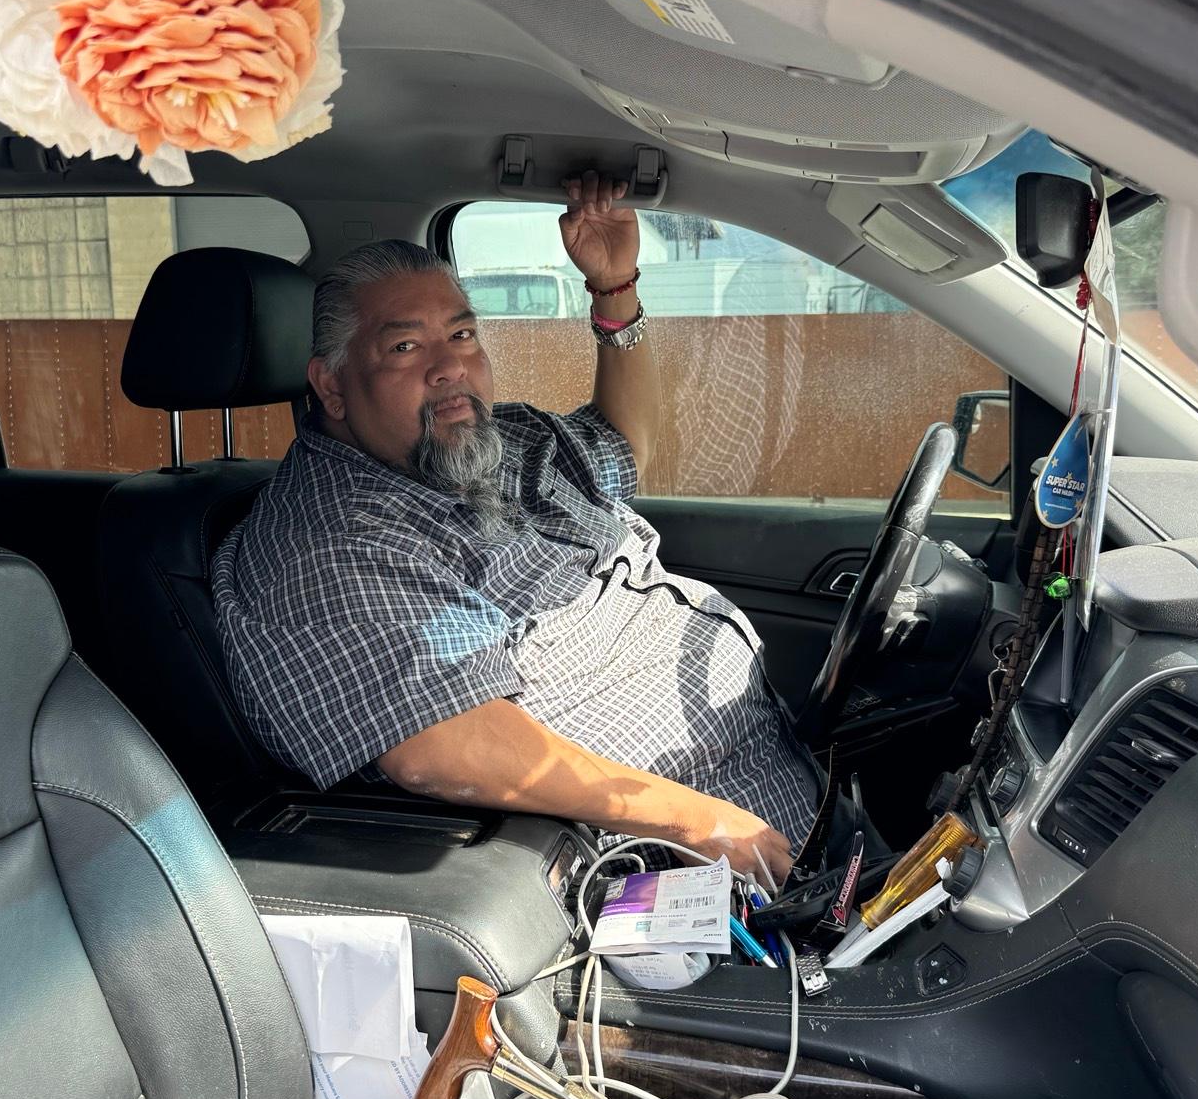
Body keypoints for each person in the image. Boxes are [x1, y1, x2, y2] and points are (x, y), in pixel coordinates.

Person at [212, 173, 837, 881]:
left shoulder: (498, 440)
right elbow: (443, 745)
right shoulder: (326, 545)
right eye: (406, 348)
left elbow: (626, 446)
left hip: (775, 804)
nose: (452, 366)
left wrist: (614, 291)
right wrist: (698, 819)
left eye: (463, 333)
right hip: (667, 878)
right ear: (330, 385)